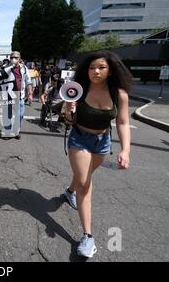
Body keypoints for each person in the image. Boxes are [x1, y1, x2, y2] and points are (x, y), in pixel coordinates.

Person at [62, 50, 132, 258]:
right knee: (85, 182)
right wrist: (68, 109)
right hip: (79, 138)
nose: (96, 71)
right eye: (92, 67)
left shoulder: (119, 94)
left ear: (110, 70)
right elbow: (67, 120)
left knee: (83, 175)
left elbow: (123, 122)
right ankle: (87, 236)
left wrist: (126, 150)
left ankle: (69, 191)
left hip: (103, 142)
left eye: (101, 67)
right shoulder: (79, 90)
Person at [1, 51, 33, 139]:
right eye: (12, 57)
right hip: (8, 95)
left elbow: (28, 82)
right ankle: (7, 132)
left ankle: (16, 131)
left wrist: (30, 93)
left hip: (20, 96)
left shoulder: (24, 68)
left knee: (20, 115)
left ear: (19, 59)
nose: (13, 59)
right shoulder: (5, 67)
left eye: (15, 57)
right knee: (7, 115)